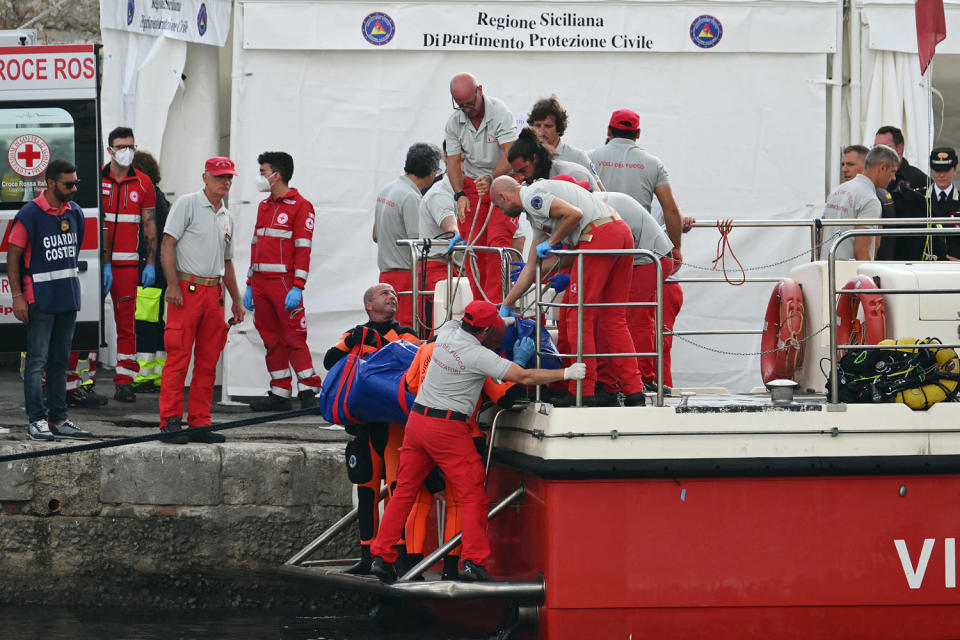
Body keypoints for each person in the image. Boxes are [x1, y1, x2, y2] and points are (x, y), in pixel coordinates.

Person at [369, 300, 586, 583]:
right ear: (484, 331)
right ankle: (473, 562)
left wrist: (507, 317)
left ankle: (381, 556)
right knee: (473, 495)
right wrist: (566, 373)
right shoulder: (477, 355)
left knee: (404, 492)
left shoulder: (447, 331)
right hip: (447, 428)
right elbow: (522, 376)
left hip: (417, 421)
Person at [491, 176, 646, 407]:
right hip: (619, 231)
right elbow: (532, 268)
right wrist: (507, 302)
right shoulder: (537, 217)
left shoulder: (532, 196)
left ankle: (582, 390)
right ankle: (634, 391)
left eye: (497, 206)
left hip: (597, 236)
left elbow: (574, 214)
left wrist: (552, 241)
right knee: (614, 318)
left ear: (504, 196)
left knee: (576, 315)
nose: (501, 212)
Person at [323, 283, 419, 574]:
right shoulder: (355, 333)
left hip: (392, 427)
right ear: (368, 304)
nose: (393, 297)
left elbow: (412, 359)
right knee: (366, 490)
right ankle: (367, 556)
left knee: (396, 491)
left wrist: (379, 340)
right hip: (362, 426)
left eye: (395, 294)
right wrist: (353, 340)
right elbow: (330, 361)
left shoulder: (404, 334)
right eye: (385, 294)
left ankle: (396, 557)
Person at [157, 157, 244, 444]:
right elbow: (167, 243)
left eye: (229, 177)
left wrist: (236, 300)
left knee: (208, 362)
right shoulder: (188, 204)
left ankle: (199, 422)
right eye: (220, 176)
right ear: (204, 177)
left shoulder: (226, 216)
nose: (225, 182)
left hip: (213, 293)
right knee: (179, 358)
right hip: (187, 289)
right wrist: (172, 285)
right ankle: (170, 421)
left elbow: (227, 262)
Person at [7, 159, 93, 440]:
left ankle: (59, 419)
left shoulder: (75, 212)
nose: (73, 189)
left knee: (59, 362)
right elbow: (13, 257)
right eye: (69, 184)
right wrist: (18, 296)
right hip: (40, 300)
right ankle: (37, 420)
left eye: (76, 183)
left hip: (67, 297)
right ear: (51, 183)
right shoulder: (30, 214)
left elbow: (74, 252)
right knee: (36, 362)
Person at [243, 151, 323, 411]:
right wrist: (249, 283)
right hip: (261, 284)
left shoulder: (301, 206)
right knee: (270, 339)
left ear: (276, 175)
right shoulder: (264, 206)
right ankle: (280, 392)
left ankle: (309, 391)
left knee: (294, 338)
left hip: (284, 284)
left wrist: (298, 287)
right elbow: (256, 245)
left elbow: (303, 249)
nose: (260, 177)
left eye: (263, 172)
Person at [444, 72, 518, 303]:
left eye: (470, 103)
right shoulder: (454, 122)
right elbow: (453, 161)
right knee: (472, 249)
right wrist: (459, 194)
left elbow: (511, 153)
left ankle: (495, 307)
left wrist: (492, 177)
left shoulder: (500, 113)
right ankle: (479, 306)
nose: (467, 109)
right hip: (473, 185)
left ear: (480, 90)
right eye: (461, 106)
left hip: (502, 181)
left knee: (497, 244)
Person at [101, 126, 159, 403]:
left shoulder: (144, 183)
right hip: (98, 265)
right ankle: (78, 380)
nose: (127, 152)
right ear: (109, 149)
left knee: (127, 324)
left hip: (128, 266)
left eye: (131, 147)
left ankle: (125, 380)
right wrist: (102, 262)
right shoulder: (95, 178)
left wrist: (150, 263)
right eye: (122, 146)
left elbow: (149, 224)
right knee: (89, 321)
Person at [588, 109, 684, 265]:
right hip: (638, 252)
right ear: (638, 133)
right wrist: (676, 249)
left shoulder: (589, 158)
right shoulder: (653, 164)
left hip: (597, 247)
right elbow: (671, 209)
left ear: (609, 130)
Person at [373, 143, 443, 327]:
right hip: (405, 279)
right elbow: (416, 245)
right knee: (406, 334)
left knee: (388, 332)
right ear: (432, 172)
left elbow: (375, 235)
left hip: (385, 276)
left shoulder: (386, 190)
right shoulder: (411, 197)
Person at [131, 150, 170, 393]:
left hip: (149, 267)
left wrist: (147, 264)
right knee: (156, 323)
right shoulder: (160, 196)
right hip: (159, 269)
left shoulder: (149, 197)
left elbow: (150, 234)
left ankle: (144, 375)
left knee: (145, 322)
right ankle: (156, 374)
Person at [821, 145, 900, 261]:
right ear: (882, 167)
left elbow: (821, 236)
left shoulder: (837, 191)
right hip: (848, 275)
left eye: (850, 164)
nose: (893, 178)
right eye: (893, 171)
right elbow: (861, 253)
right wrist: (869, 278)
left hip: (825, 269)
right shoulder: (870, 200)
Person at [418, 144, 460, 333]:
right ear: (447, 159)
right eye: (461, 160)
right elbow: (451, 228)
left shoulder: (465, 192)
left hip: (453, 269)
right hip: (437, 269)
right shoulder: (441, 194)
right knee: (440, 330)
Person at [527, 95, 602, 182]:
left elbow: (599, 191)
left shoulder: (578, 157)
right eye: (537, 125)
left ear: (559, 128)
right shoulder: (526, 155)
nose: (541, 131)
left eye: (548, 126)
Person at [508, 127, 601, 191]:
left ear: (535, 158)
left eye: (523, 170)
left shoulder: (573, 174)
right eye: (517, 173)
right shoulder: (529, 183)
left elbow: (577, 215)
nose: (520, 177)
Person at [926, 147, 959, 260]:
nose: (941, 175)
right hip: (925, 264)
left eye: (946, 170)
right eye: (937, 170)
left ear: (955, 169)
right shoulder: (920, 199)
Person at [874, 125, 929, 192]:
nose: (878, 153)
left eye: (884, 148)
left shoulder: (920, 180)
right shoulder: (872, 177)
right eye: (876, 148)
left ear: (899, 148)